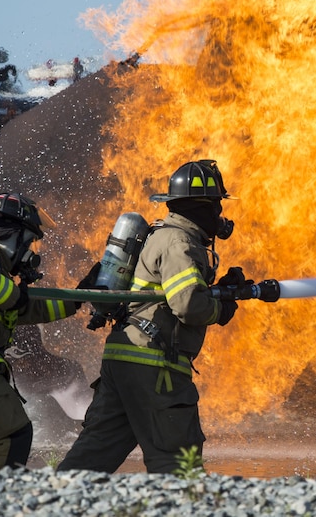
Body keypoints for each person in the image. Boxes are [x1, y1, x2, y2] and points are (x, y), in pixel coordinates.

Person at [58, 159, 245, 474]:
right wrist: (222, 308)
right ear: (203, 206)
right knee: (177, 457)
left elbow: (169, 294)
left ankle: (51, 503)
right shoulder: (180, 242)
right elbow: (188, 305)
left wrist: (220, 290)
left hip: (124, 358)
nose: (219, 215)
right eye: (216, 206)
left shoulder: (161, 236)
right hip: (153, 364)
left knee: (93, 456)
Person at [0, 193, 82, 470]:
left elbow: (28, 310)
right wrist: (15, 295)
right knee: (10, 433)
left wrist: (78, 297)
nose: (33, 250)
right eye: (31, 241)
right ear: (14, 238)